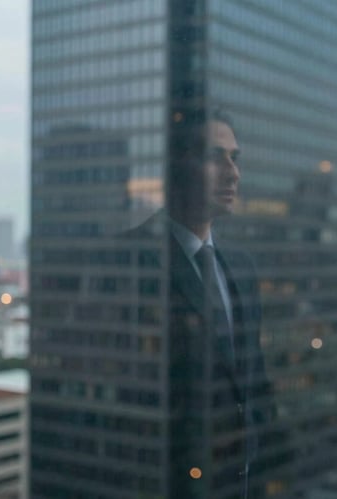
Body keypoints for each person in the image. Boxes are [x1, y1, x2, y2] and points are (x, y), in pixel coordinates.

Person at [126, 109, 271, 499]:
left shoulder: (241, 267)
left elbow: (254, 388)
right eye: (214, 157)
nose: (232, 173)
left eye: (234, 158)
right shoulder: (131, 262)